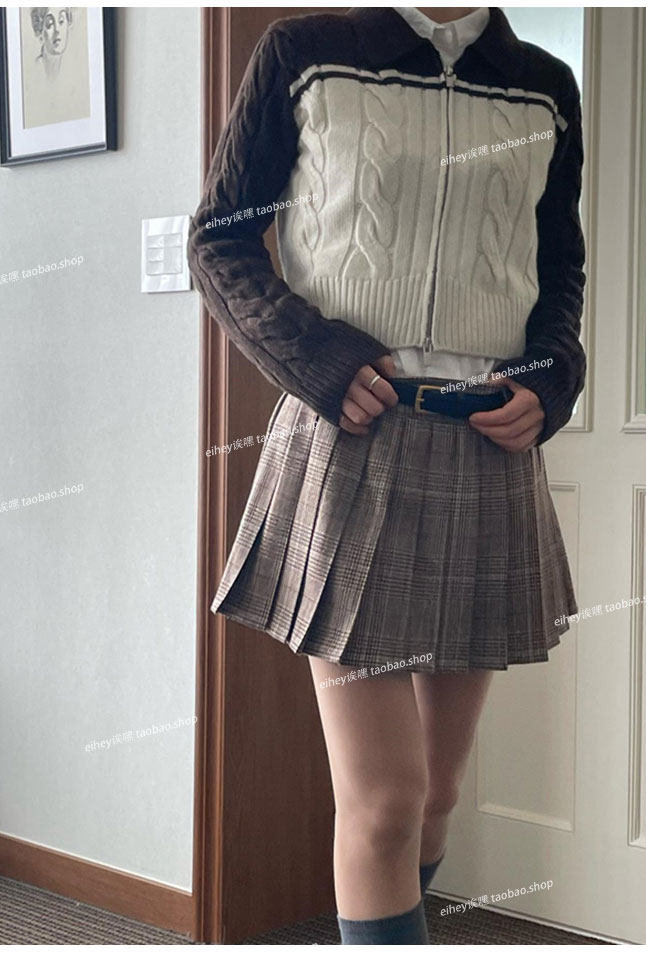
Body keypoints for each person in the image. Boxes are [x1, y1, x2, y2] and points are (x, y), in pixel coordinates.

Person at [187, 5, 586, 945]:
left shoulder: (544, 85)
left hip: (487, 449)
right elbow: (220, 240)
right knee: (385, 803)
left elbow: (559, 269)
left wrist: (551, 378)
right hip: (351, 437)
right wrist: (313, 357)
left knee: (437, 794)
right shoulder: (305, 54)